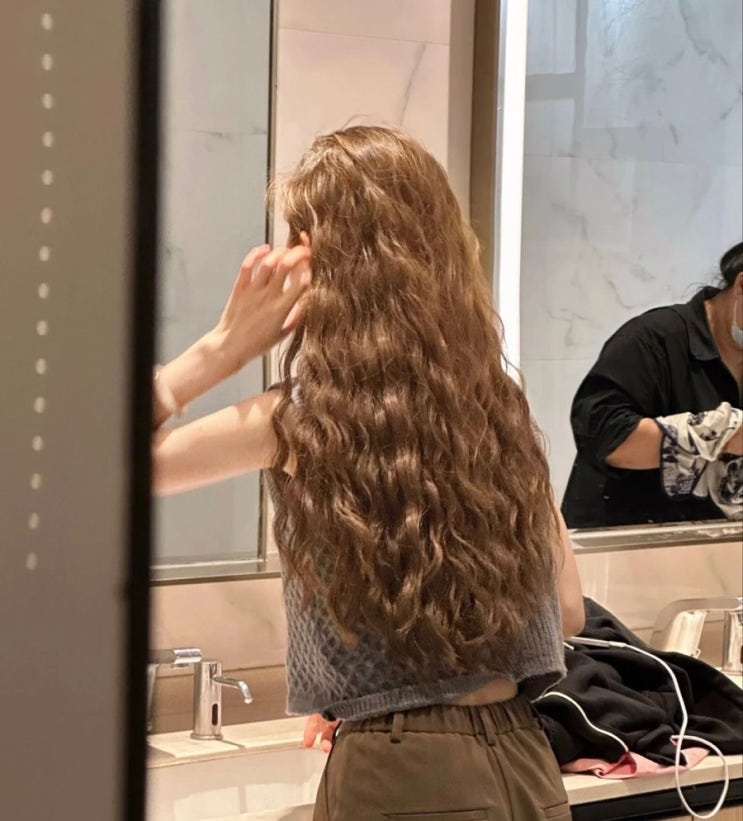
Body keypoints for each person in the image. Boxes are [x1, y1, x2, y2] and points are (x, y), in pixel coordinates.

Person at [153, 126, 583, 820]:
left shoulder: (300, 420)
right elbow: (567, 609)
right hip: (525, 763)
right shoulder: (495, 406)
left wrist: (221, 349)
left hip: (397, 769)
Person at [562, 242, 743, 529]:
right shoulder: (653, 339)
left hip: (715, 542)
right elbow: (603, 437)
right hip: (623, 537)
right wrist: (720, 435)